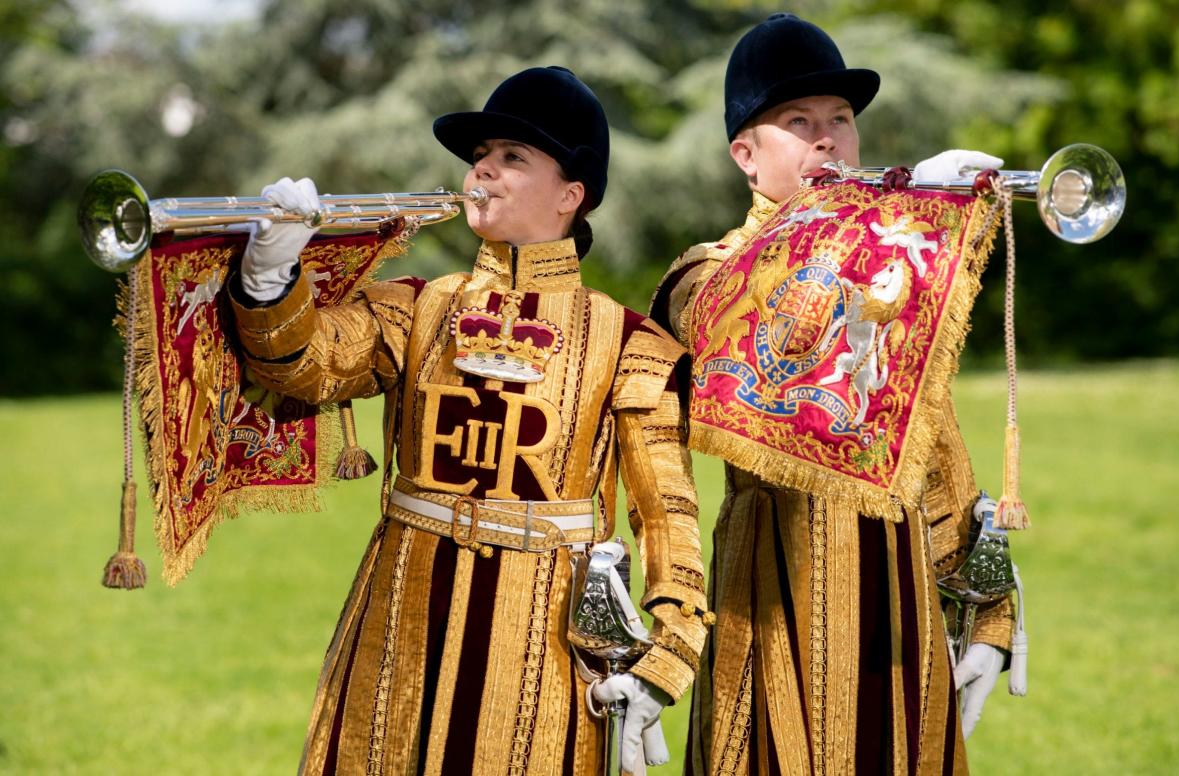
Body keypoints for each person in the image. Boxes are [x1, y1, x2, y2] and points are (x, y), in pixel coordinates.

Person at [229, 66, 708, 775]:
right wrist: (271, 277)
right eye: (481, 154)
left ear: (571, 196)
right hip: (399, 616)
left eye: (513, 157)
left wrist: (661, 663)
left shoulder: (630, 341)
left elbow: (667, 514)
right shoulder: (419, 304)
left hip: (540, 641)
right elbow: (302, 365)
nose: (483, 168)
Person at [650, 14, 1016, 775]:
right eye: (798, 122)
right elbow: (774, 314)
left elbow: (932, 441)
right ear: (745, 157)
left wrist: (986, 616)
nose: (827, 139)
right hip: (773, 588)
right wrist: (904, 216)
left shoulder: (894, 264)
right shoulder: (702, 273)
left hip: (899, 590)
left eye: (841, 121)